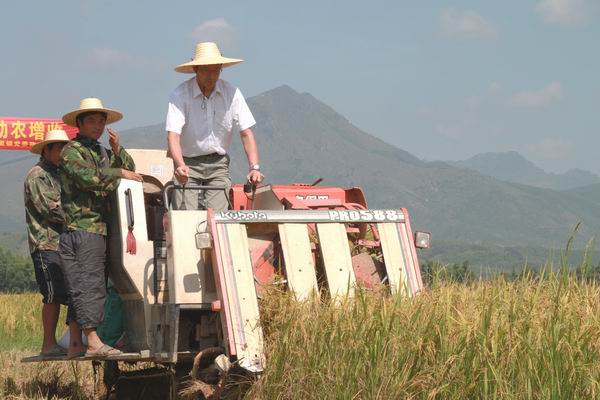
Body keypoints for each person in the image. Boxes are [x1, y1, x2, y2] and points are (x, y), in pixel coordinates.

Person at [59, 97, 142, 358]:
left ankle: (76, 343)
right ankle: (92, 341)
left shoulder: (101, 152)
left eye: (101, 121)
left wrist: (118, 150)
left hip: (98, 228)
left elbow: (131, 171)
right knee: (90, 285)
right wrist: (118, 174)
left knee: (84, 286)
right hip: (83, 227)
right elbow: (90, 179)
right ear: (79, 124)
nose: (97, 126)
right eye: (92, 121)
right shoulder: (71, 151)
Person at [166, 41, 264, 211]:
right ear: (196, 69)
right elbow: (173, 135)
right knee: (185, 217)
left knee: (218, 218)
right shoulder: (180, 94)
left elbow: (246, 133)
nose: (211, 76)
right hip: (188, 163)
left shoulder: (231, 93)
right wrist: (180, 165)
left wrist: (254, 167)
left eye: (216, 70)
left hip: (218, 163)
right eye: (206, 70)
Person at [24, 129, 81, 357]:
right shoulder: (38, 175)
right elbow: (51, 210)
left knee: (70, 292)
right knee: (52, 294)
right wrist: (82, 216)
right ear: (46, 150)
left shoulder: (60, 174)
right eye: (58, 148)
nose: (62, 153)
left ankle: (71, 341)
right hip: (45, 243)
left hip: (63, 244)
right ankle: (48, 344)